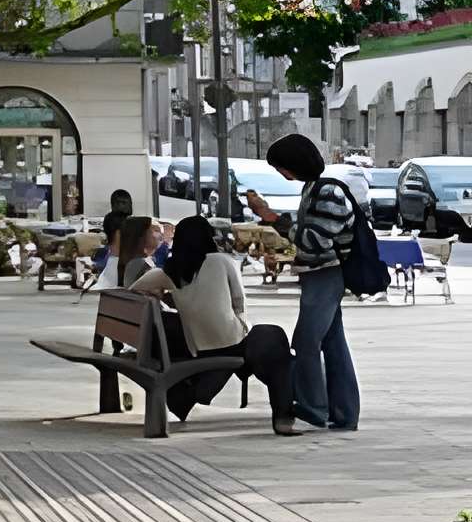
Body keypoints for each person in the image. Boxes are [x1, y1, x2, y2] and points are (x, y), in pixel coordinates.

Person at [132, 214, 298, 432]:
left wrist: (167, 298)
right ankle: (284, 414)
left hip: (197, 347)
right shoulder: (223, 261)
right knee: (272, 336)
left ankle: (189, 395)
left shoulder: (170, 272)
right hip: (230, 341)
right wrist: (240, 327)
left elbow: (135, 289)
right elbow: (239, 302)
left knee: (261, 343)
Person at [265, 133, 362, 432]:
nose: (281, 173)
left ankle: (312, 408)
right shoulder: (313, 188)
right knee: (333, 344)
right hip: (318, 274)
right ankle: (343, 414)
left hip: (326, 273)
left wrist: (272, 219)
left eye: (281, 167)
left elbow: (315, 241)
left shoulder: (327, 192)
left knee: (306, 342)